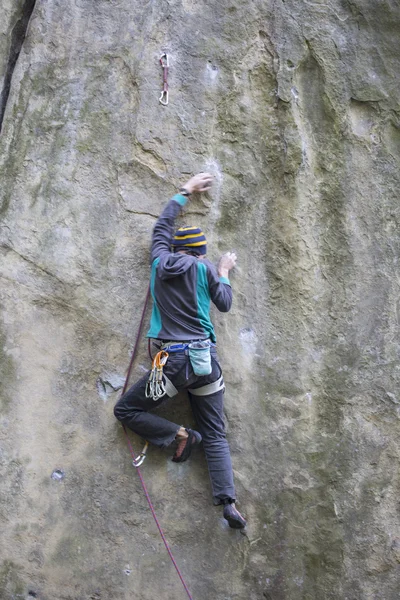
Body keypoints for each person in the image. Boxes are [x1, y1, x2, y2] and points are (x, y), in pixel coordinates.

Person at [114, 172, 246, 529]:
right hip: (205, 364)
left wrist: (185, 192)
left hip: (171, 365)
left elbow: (161, 228)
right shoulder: (206, 269)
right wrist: (223, 271)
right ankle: (229, 504)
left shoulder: (159, 262)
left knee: (126, 409)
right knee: (216, 433)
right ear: (200, 252)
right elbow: (225, 303)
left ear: (173, 249)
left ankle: (179, 436)